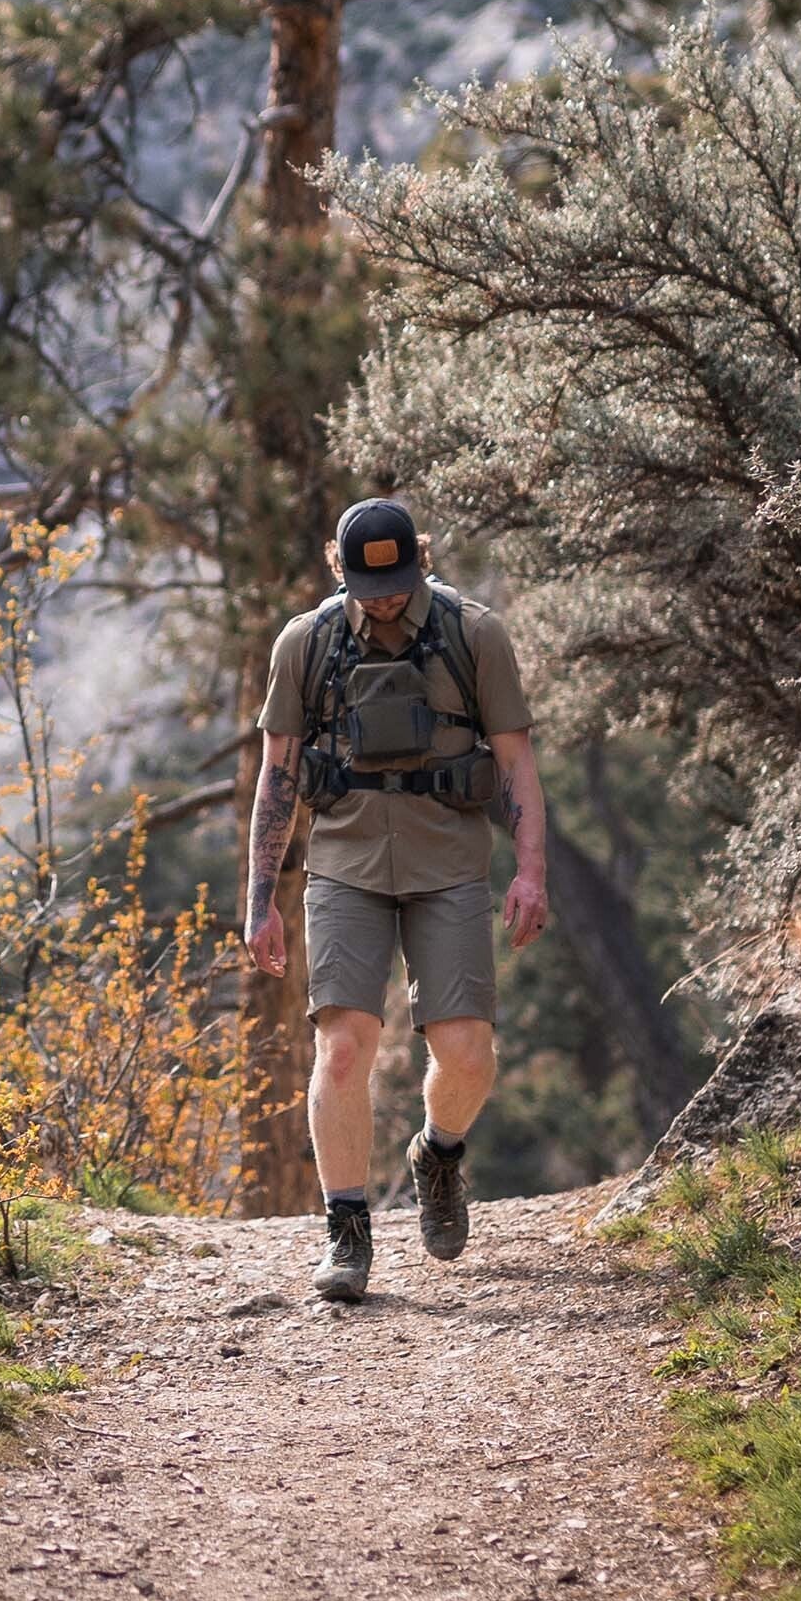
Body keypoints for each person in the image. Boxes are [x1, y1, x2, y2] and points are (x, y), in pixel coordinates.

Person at [242, 498, 550, 1299]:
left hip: (447, 863)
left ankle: (438, 1153)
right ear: (339, 569)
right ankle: (347, 1237)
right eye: (369, 584)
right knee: (343, 1047)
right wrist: (260, 900)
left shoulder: (472, 633)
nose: (385, 598)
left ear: (420, 559)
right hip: (343, 866)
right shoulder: (304, 645)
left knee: (467, 1055)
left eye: (400, 580)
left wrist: (530, 871)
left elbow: (515, 763)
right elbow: (278, 776)